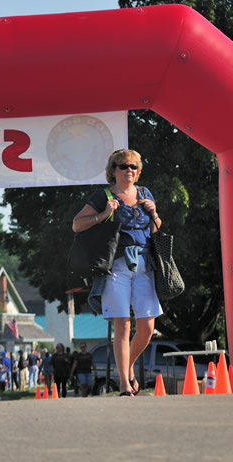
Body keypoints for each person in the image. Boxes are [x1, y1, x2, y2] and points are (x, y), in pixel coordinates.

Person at [72, 149, 162, 397]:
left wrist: (153, 213)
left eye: (133, 166)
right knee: (122, 325)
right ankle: (124, 384)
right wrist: (103, 214)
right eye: (123, 166)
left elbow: (156, 229)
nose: (129, 170)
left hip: (145, 265)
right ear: (113, 170)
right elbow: (77, 224)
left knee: (147, 326)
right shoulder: (103, 195)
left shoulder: (144, 193)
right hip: (116, 267)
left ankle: (128, 366)